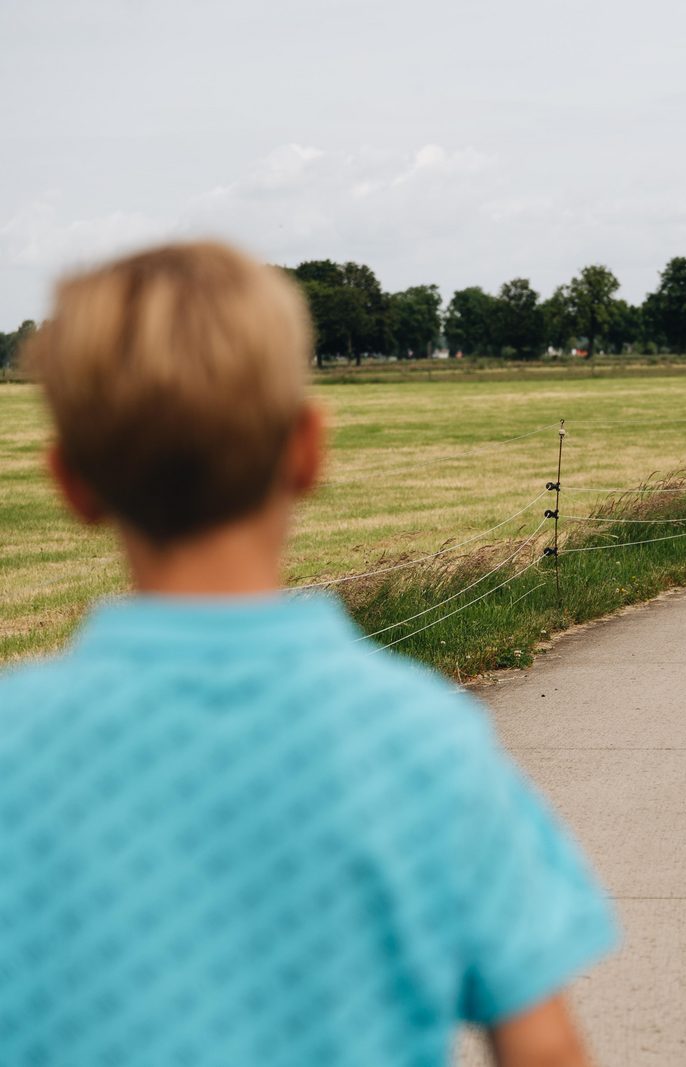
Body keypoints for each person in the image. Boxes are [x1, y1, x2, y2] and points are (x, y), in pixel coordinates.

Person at [0, 242, 615, 1067]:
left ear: (72, 484)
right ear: (308, 449)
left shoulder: (16, 749)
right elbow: (543, 1048)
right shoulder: (423, 740)